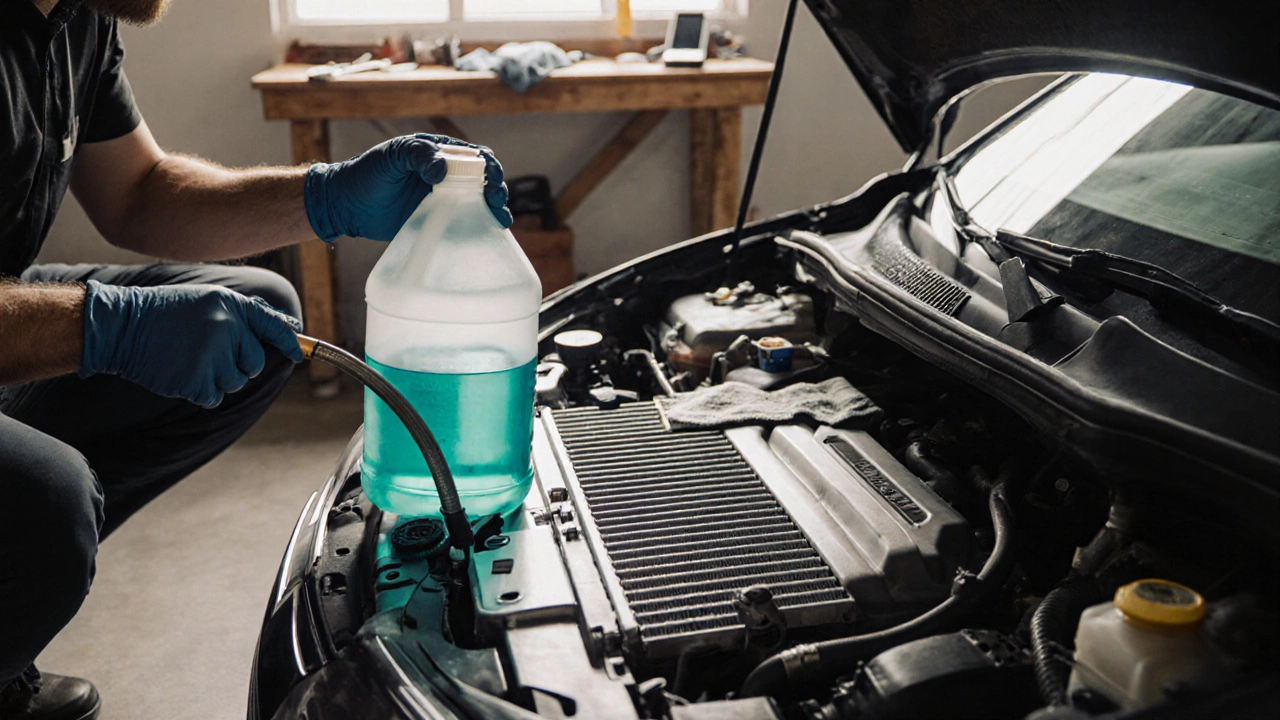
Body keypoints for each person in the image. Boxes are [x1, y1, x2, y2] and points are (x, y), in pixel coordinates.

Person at [0, 0, 513, 717]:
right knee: (47, 501)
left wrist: (325, 197)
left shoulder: (79, 17)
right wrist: (105, 328)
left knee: (261, 305)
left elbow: (138, 193)